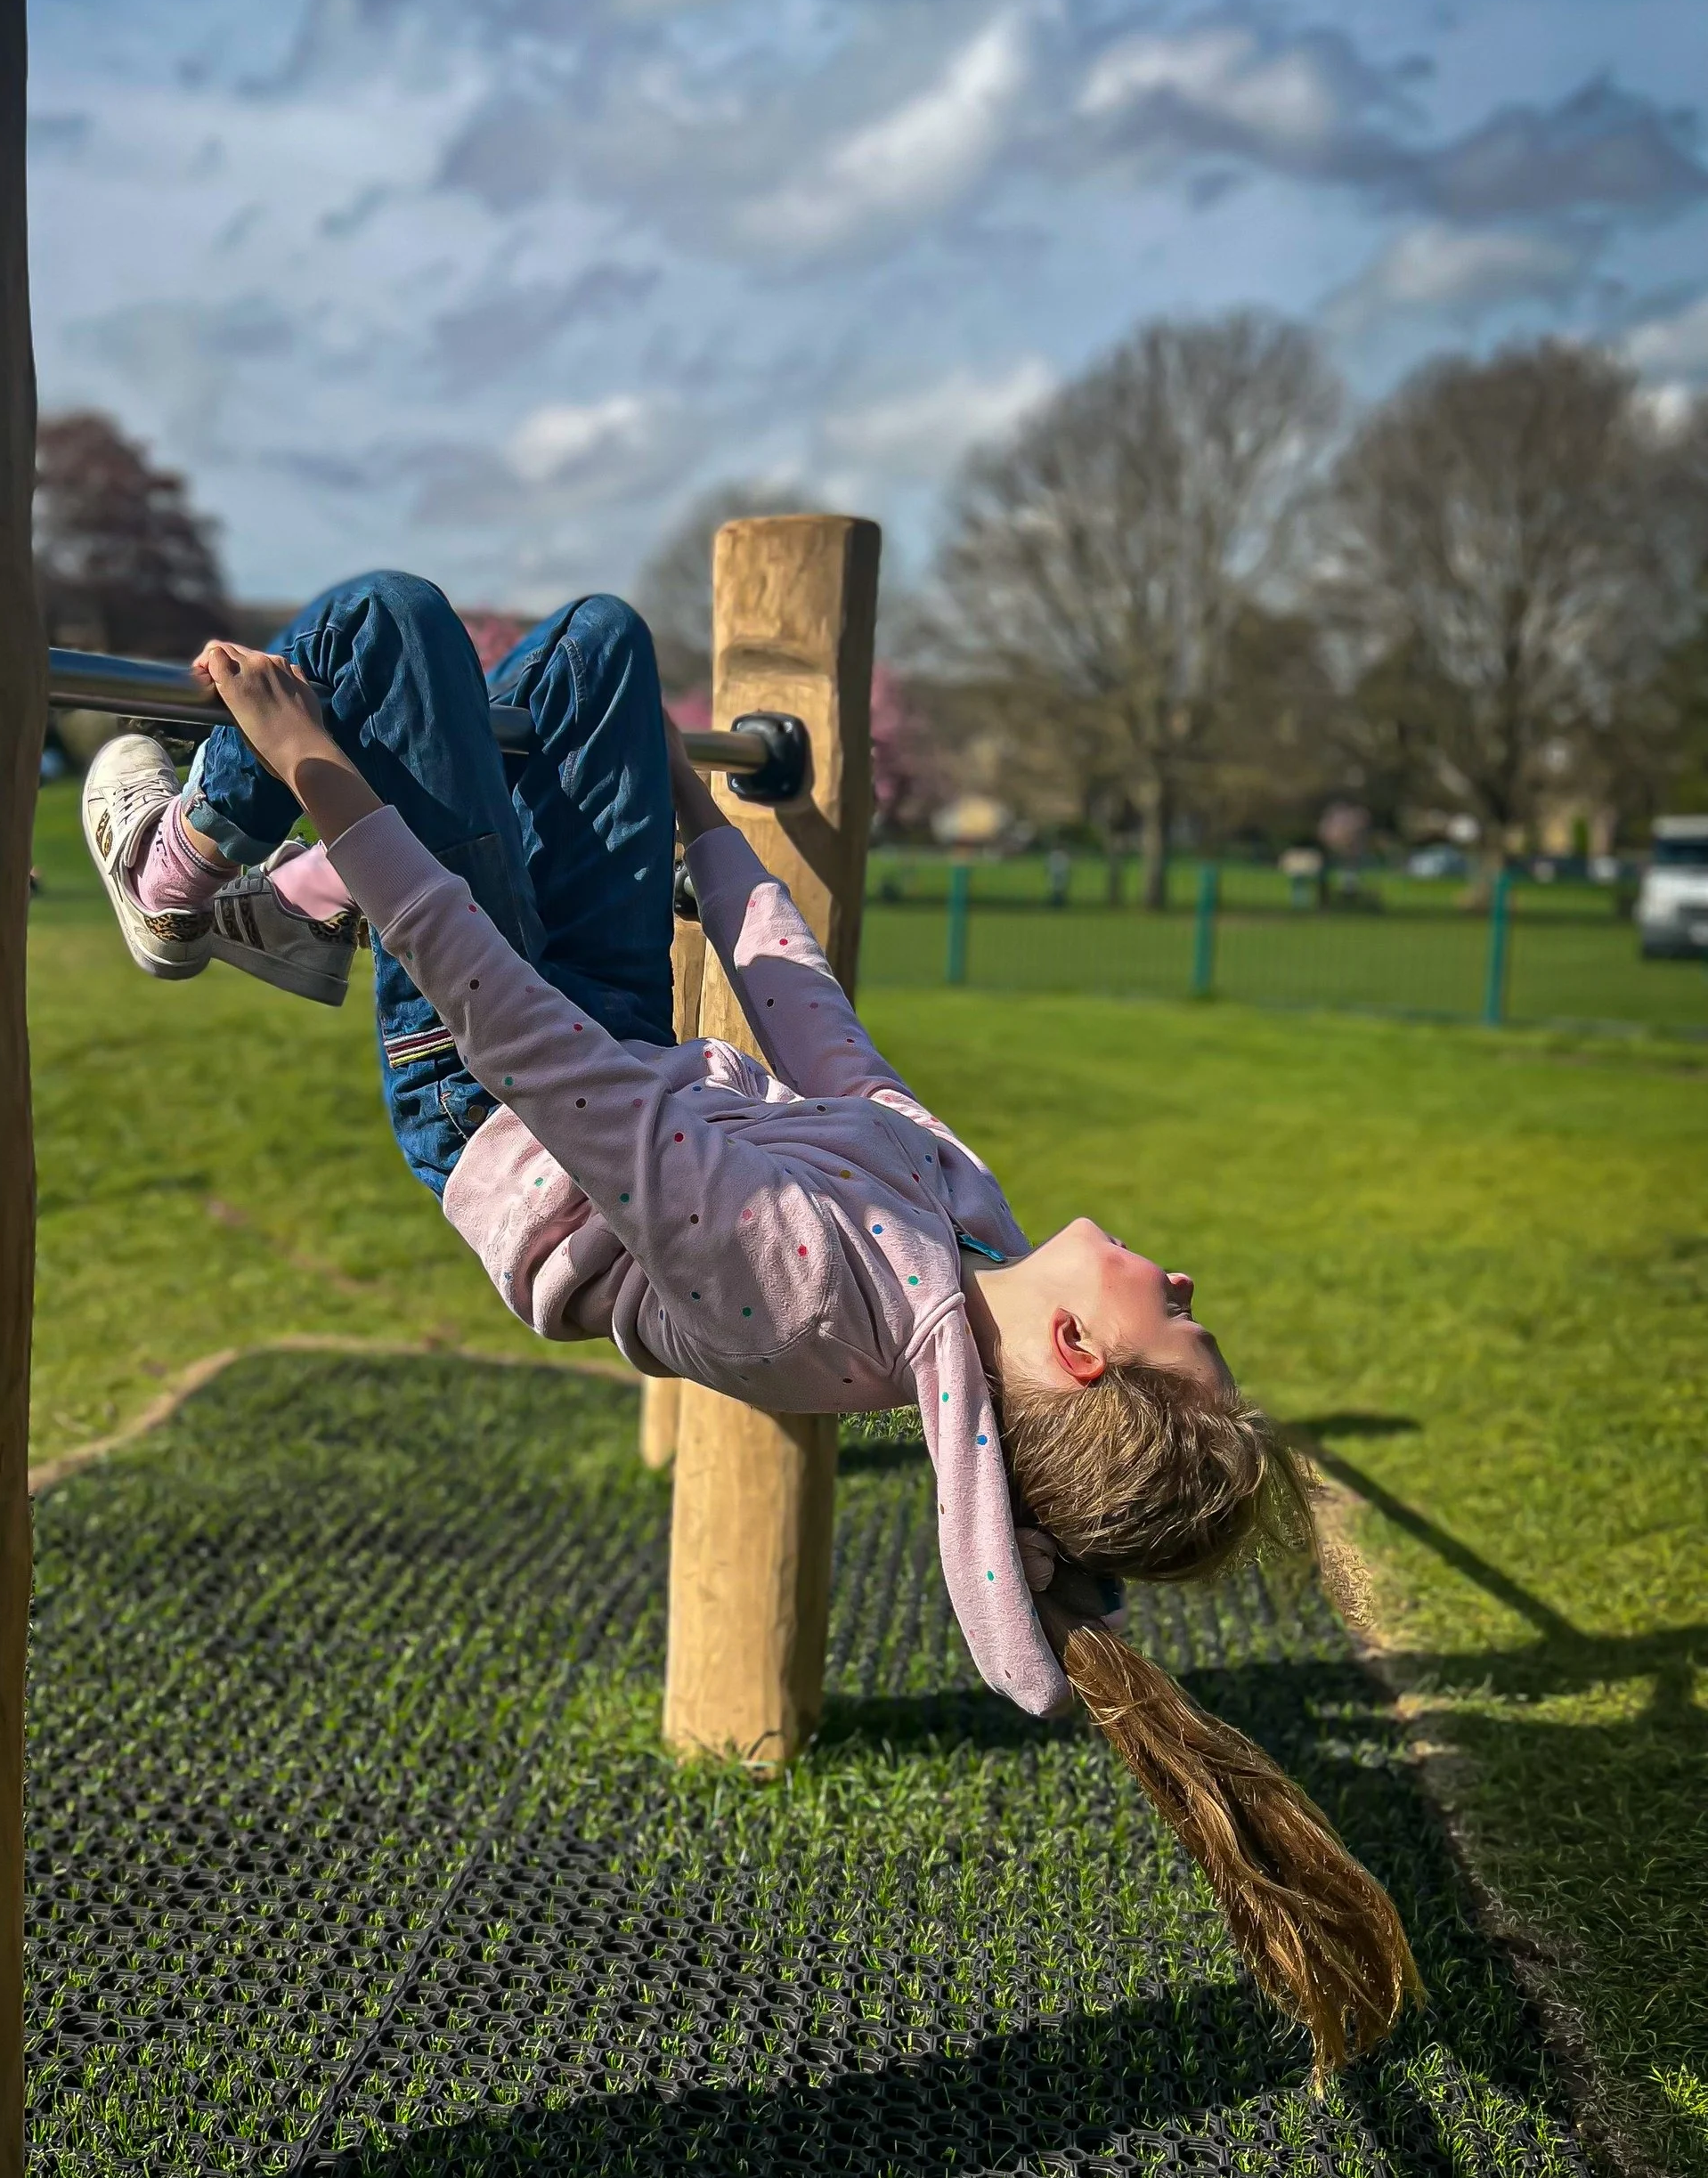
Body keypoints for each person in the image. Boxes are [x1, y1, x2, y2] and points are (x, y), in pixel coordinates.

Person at [80, 573, 1419, 2082]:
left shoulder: (814, 1297)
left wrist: (312, 770)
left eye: (1185, 1330)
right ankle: (300, 906)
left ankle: (180, 875)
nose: (1185, 1290)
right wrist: (701, 819)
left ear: (1082, 1359)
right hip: (613, 1038)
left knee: (379, 631)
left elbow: (509, 1031)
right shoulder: (966, 1225)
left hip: (494, 1087)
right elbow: (806, 1014)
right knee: (602, 656)